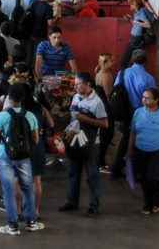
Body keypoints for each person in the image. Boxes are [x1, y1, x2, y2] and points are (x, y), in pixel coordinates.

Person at [0, 83, 45, 235]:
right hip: (25, 158)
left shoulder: (2, 116)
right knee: (28, 188)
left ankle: (13, 226)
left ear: (9, 97)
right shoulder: (30, 116)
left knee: (9, 191)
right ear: (23, 98)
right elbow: (35, 139)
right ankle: (31, 222)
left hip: (5, 157)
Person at [59, 72, 108, 216]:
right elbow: (73, 118)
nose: (75, 86)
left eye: (78, 84)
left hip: (91, 144)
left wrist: (84, 118)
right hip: (74, 141)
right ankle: (72, 201)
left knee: (92, 175)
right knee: (73, 172)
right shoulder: (76, 97)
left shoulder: (97, 102)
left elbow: (105, 123)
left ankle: (94, 206)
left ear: (88, 85)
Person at [128, 88, 159, 214]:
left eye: (148, 98)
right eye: (143, 97)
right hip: (140, 150)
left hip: (157, 152)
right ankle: (147, 203)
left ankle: (157, 200)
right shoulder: (138, 112)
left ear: (156, 100)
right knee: (143, 178)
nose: (144, 100)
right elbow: (133, 133)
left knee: (153, 178)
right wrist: (130, 150)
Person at [111, 49, 156, 178]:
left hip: (124, 112)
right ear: (145, 61)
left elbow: (116, 89)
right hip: (140, 114)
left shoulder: (122, 72)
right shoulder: (149, 78)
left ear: (132, 60)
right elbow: (152, 98)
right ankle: (132, 170)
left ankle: (118, 168)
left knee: (126, 139)